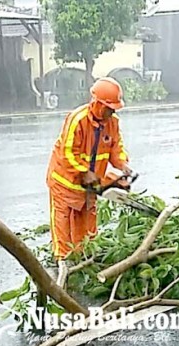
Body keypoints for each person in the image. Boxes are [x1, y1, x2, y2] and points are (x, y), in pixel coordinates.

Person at [46, 77, 132, 266]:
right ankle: (62, 263)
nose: (112, 112)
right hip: (64, 182)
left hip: (89, 186)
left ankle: (85, 259)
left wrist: (123, 166)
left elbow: (116, 148)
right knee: (63, 224)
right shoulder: (78, 120)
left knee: (87, 226)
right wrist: (84, 172)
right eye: (110, 108)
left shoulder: (113, 122)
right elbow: (68, 152)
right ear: (98, 103)